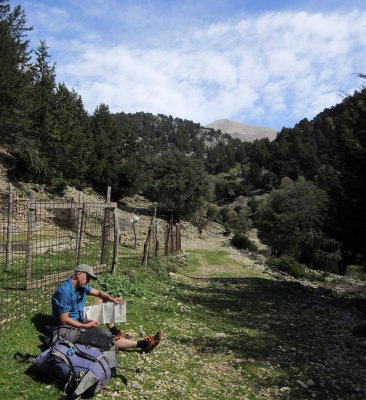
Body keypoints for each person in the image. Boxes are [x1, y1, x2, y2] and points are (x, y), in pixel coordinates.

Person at [51, 264, 162, 353]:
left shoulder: (81, 286)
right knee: (105, 338)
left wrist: (112, 299)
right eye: (88, 277)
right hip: (68, 328)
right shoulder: (65, 291)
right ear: (79, 274)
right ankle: (143, 344)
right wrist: (84, 326)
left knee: (103, 300)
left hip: (79, 317)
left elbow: (99, 292)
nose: (89, 281)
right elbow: (64, 320)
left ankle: (116, 331)